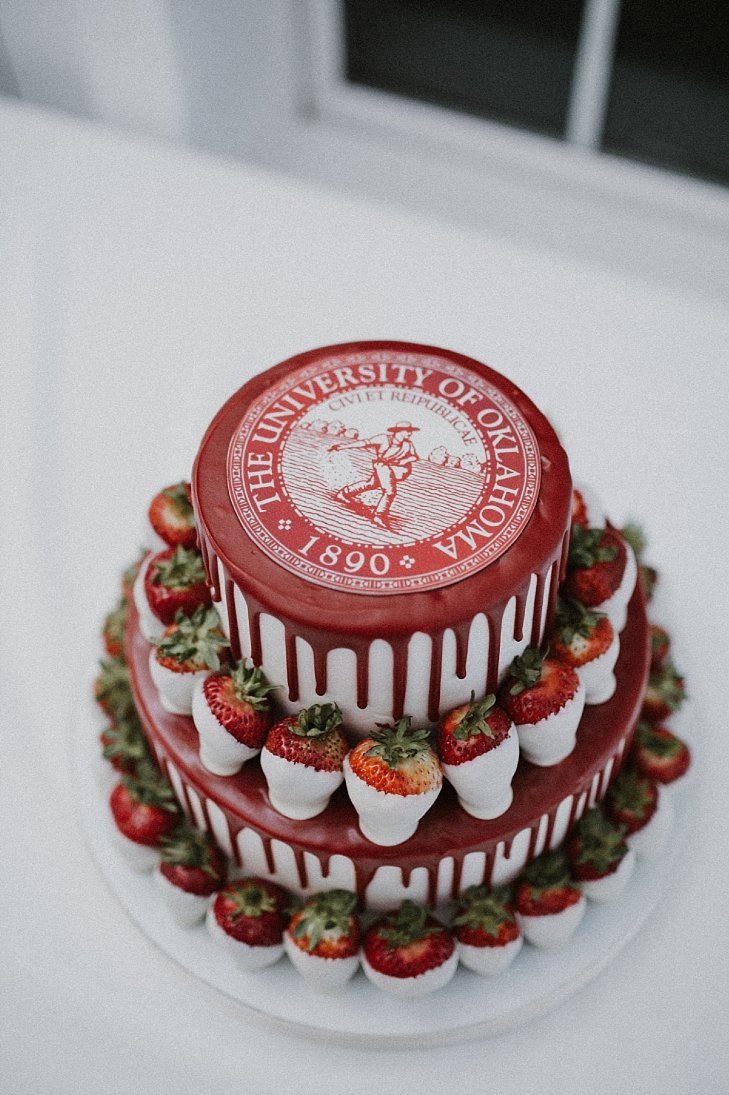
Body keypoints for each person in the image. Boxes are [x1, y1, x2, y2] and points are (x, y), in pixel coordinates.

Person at [330, 421, 419, 528]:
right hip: (382, 466)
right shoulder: (383, 439)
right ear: (399, 431)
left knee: (371, 484)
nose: (410, 434)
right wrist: (342, 447)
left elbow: (414, 456)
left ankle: (344, 494)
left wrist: (403, 461)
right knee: (389, 491)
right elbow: (365, 443)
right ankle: (379, 515)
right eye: (408, 431)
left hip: (393, 468)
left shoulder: (407, 444)